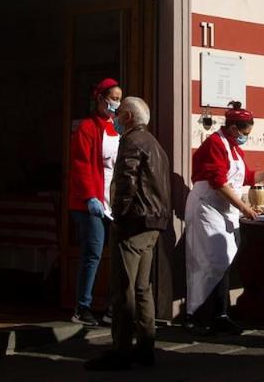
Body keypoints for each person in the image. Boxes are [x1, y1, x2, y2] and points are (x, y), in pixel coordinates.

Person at [184, 102, 264, 336]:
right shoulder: (214, 144)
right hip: (207, 208)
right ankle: (196, 315)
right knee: (208, 262)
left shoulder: (234, 148)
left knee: (223, 261)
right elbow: (218, 182)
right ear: (232, 129)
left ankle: (220, 314)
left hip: (224, 211)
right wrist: (244, 207)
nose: (245, 138)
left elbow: (247, 177)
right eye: (245, 133)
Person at [84, 97, 171, 372]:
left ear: (129, 117)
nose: (116, 118)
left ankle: (121, 351)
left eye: (119, 113)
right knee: (143, 288)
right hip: (153, 223)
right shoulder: (154, 144)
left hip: (134, 222)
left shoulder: (132, 142)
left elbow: (126, 182)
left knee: (123, 288)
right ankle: (145, 348)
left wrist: (118, 216)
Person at [68, 77, 122, 326]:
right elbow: (81, 166)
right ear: (100, 99)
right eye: (113, 99)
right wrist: (91, 196)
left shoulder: (118, 127)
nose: (116, 103)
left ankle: (112, 307)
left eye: (119, 99)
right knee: (93, 253)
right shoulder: (87, 128)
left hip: (113, 201)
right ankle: (83, 307)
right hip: (91, 202)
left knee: (118, 255)